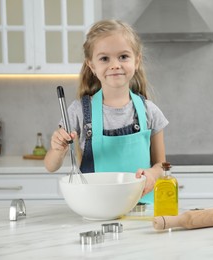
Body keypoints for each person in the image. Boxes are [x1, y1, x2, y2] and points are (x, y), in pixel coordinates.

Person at [44, 20, 168, 204]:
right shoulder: (78, 111)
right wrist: (57, 149)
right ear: (92, 66)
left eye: (123, 56)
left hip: (141, 211)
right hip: (95, 208)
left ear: (137, 60)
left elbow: (163, 166)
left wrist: (154, 173)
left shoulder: (150, 111)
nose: (115, 65)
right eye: (104, 59)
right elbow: (50, 166)